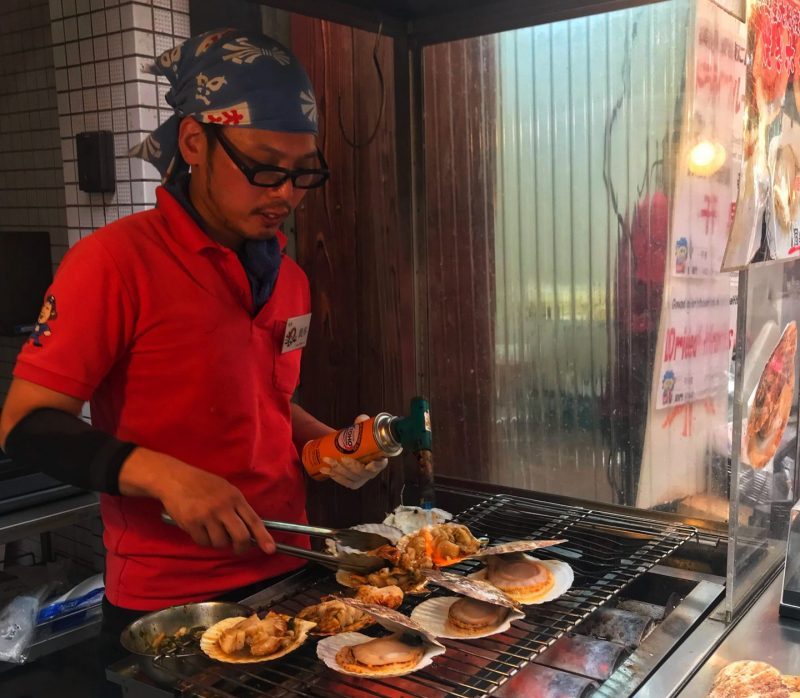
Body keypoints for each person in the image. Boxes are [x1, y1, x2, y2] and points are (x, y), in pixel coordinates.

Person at [0, 29, 389, 690]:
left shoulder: (287, 277)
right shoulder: (113, 263)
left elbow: (262, 400)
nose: (286, 194)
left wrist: (326, 441)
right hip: (170, 600)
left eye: (304, 173)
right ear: (193, 143)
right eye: (265, 166)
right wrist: (167, 477)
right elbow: (24, 424)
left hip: (290, 567)